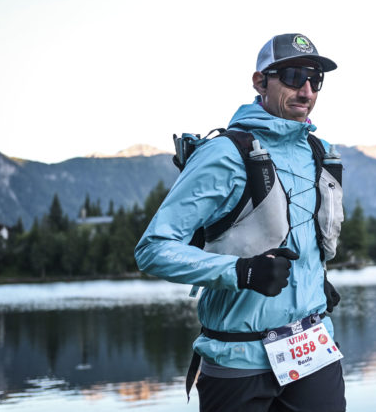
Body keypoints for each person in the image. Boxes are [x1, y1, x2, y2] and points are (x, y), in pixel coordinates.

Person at [135, 33, 346, 412]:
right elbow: (153, 250)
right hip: (238, 360)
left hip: (314, 352)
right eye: (294, 76)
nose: (307, 90)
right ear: (260, 82)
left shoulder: (318, 152)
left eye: (316, 79)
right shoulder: (224, 153)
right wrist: (241, 272)